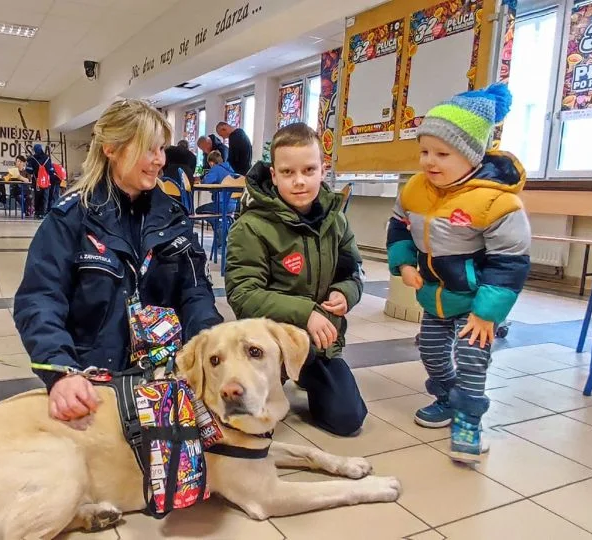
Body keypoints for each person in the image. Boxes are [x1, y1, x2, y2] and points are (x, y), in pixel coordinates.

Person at [13, 99, 223, 423]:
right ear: (111, 148)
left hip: (166, 384)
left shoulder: (174, 218)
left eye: (162, 149)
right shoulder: (69, 219)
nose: (160, 161)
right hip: (94, 387)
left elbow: (196, 294)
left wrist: (212, 353)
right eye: (149, 149)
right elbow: (39, 299)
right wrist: (61, 373)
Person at [386, 83, 531, 463]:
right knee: (432, 351)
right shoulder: (416, 189)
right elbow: (399, 226)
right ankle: (448, 398)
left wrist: (487, 312)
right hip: (437, 293)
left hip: (477, 298)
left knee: (470, 353)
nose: (429, 162)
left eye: (442, 153)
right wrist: (403, 263)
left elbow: (510, 261)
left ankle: (468, 417)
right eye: (424, 152)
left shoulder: (498, 201)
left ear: (471, 155)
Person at [224, 123, 367, 437]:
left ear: (322, 170)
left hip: (319, 345)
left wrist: (346, 292)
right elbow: (243, 294)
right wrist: (306, 313)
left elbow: (353, 271)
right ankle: (273, 377)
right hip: (267, 346)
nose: (299, 181)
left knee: (348, 419)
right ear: (273, 175)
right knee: (250, 427)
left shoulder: (336, 220)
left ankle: (307, 374)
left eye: (309, 170)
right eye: (288, 172)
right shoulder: (251, 227)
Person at [25, 144, 61, 218]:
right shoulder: (47, 158)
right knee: (45, 197)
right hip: (46, 182)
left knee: (37, 197)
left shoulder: (32, 159)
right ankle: (43, 213)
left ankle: (37, 213)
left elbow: (29, 171)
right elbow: (51, 171)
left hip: (36, 182)